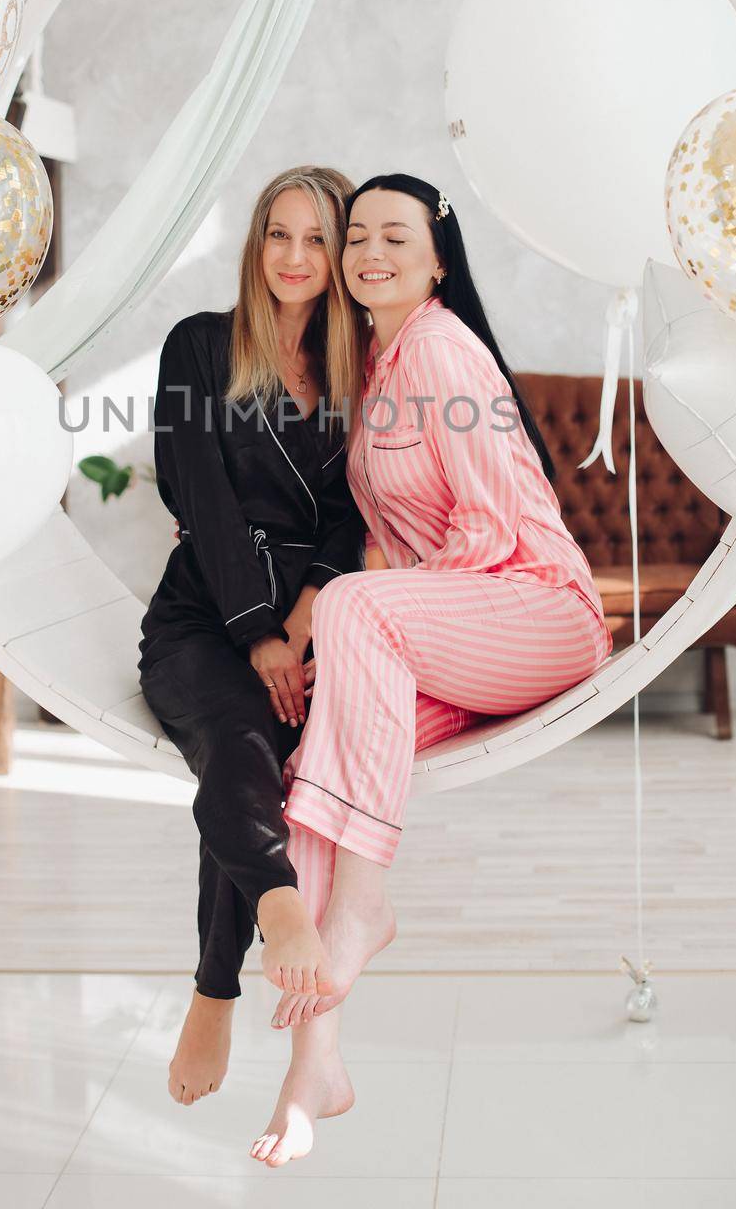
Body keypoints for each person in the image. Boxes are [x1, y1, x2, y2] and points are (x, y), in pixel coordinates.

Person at [248, 173, 614, 1167]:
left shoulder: (445, 351)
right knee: (310, 759)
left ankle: (364, 907)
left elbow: (492, 533)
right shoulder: (379, 358)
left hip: (539, 610)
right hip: (455, 627)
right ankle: (314, 1059)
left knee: (354, 608)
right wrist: (376, 642)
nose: (368, 250)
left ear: (437, 257)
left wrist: (378, 619)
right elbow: (388, 544)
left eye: (392, 236)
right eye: (355, 235)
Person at [137, 165, 370, 1106]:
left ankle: (213, 988)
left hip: (315, 619)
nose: (295, 256)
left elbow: (361, 509)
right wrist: (258, 634)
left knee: (264, 764)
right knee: (238, 735)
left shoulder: (365, 369)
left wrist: (307, 620)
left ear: (341, 253)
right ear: (255, 242)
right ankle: (268, 932)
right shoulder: (199, 346)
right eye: (279, 234)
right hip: (202, 612)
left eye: (317, 239)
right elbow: (198, 492)